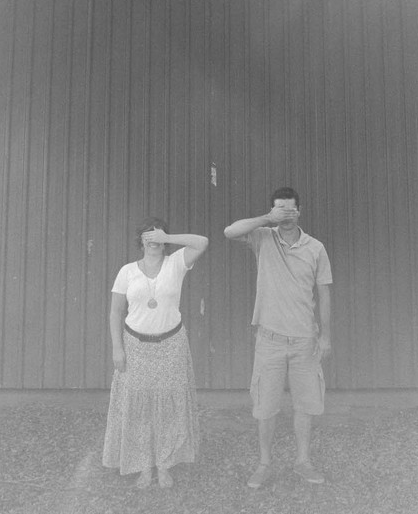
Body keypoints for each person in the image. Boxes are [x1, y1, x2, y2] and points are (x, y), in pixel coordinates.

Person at [224, 187, 332, 487]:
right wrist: (266, 218)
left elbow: (324, 294)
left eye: (290, 208)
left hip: (304, 340)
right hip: (269, 339)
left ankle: (303, 461)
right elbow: (229, 232)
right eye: (280, 208)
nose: (286, 214)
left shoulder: (316, 248)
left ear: (300, 211)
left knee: (305, 404)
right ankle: (264, 464)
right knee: (265, 407)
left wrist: (325, 337)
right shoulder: (263, 237)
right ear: (273, 210)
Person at [102, 217, 208, 489]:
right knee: (138, 408)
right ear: (140, 241)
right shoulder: (127, 271)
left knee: (168, 407)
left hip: (171, 345)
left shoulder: (176, 264)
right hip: (135, 347)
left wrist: (167, 237)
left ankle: (164, 464)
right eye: (148, 237)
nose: (153, 241)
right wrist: (117, 348)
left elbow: (202, 242)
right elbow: (115, 312)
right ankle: (143, 466)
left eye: (157, 236)